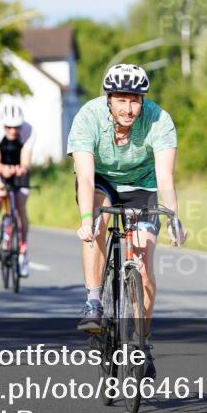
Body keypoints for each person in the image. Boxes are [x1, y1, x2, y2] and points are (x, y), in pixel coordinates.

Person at [67, 63, 187, 379]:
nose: (128, 108)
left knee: (144, 268)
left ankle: (142, 342)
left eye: (135, 100)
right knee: (98, 220)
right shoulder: (88, 117)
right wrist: (86, 219)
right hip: (101, 182)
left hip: (142, 186)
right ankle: (94, 302)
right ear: (108, 99)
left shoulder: (159, 120)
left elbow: (165, 177)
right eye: (121, 100)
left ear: (143, 100)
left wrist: (173, 217)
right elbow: (85, 176)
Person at [0, 101, 35, 277]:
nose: (13, 131)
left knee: (21, 205)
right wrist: (3, 171)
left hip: (17, 161)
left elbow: (26, 159)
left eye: (16, 127)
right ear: (3, 125)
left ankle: (23, 251)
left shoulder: (29, 130)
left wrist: (22, 169)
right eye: (9, 127)